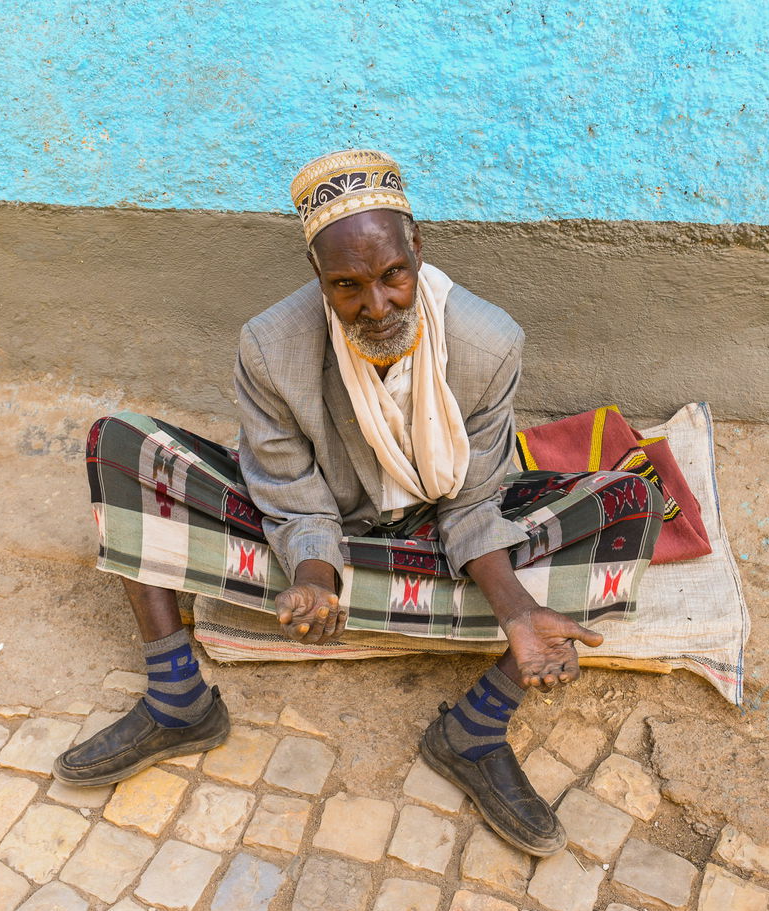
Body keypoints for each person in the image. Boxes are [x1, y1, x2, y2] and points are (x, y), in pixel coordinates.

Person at [54, 149, 662, 855]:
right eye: (348, 286)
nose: (377, 307)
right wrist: (314, 577)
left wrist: (518, 611)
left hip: (442, 541)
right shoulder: (270, 346)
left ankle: (474, 730)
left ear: (417, 252)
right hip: (318, 543)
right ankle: (178, 700)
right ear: (319, 280)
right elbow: (286, 490)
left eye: (393, 276)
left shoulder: (489, 344)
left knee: (630, 505)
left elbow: (472, 502)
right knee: (123, 447)